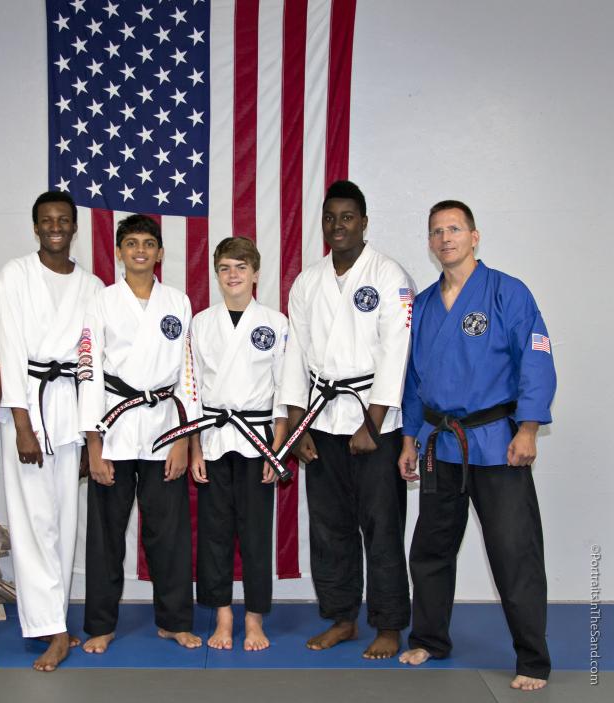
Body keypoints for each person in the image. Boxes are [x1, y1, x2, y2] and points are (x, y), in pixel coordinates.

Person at [398, 200, 556, 692]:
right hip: (440, 444)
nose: (445, 238)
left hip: (497, 442)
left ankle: (533, 659)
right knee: (430, 550)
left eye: (454, 229)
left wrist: (528, 427)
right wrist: (410, 437)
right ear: (429, 243)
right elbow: (414, 379)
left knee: (514, 551)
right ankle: (430, 638)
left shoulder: (508, 292)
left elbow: (536, 360)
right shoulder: (423, 305)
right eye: (437, 232)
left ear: (474, 236)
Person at [278, 180, 413, 658]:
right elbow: (295, 354)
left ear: (364, 222)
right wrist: (297, 426)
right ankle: (342, 617)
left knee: (381, 525)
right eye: (330, 218)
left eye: (348, 217)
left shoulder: (390, 275)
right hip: (321, 419)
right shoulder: (308, 281)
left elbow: (397, 353)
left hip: (373, 421)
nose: (338, 226)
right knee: (329, 527)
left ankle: (390, 623)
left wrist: (372, 424)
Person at [155, 236, 287, 651]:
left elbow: (285, 392)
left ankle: (254, 620)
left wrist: (277, 449)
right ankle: (223, 616)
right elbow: (190, 389)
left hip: (257, 439)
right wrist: (194, 447)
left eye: (241, 268)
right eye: (226, 268)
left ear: (256, 274)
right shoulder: (201, 323)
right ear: (216, 274)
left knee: (255, 533)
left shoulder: (276, 322)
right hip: (212, 438)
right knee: (213, 532)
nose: (233, 275)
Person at [78, 214, 201, 653]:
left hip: (165, 426)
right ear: (119, 251)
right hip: (113, 422)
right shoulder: (102, 301)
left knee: (168, 533)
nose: (141, 251)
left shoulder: (178, 301)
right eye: (131, 243)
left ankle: (173, 620)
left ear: (161, 252)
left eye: (149, 243)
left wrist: (185, 438)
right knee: (106, 534)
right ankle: (100, 625)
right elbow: (89, 371)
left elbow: (188, 374)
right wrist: (94, 444)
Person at [0, 191, 103, 671]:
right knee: (34, 520)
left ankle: (55, 618)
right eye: (46, 220)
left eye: (63, 220)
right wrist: (22, 425)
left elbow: (93, 364)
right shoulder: (16, 275)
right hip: (30, 409)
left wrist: (90, 433)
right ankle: (52, 631)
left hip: (71, 410)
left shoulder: (92, 285)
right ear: (35, 226)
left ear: (74, 227)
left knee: (64, 521)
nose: (55, 227)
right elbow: (10, 350)